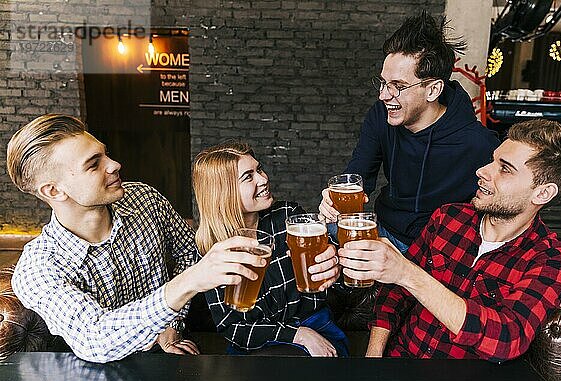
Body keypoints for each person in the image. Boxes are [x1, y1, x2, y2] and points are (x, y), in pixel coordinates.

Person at [7, 114, 262, 363]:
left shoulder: (143, 199)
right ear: (53, 190)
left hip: (167, 358)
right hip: (97, 378)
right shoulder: (37, 267)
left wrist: (172, 322)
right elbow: (95, 339)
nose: (114, 164)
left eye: (105, 153)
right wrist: (188, 283)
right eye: (94, 164)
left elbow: (187, 250)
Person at [338, 119, 561, 362]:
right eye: (492, 160)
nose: (482, 171)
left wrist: (408, 273)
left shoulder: (551, 259)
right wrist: (373, 357)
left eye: (505, 168)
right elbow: (394, 296)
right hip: (400, 362)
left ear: (543, 193)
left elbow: (506, 339)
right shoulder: (448, 217)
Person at [319, 11, 500, 252]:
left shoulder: (480, 144)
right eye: (383, 83)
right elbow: (358, 177)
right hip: (384, 231)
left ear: (433, 90)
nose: (383, 95)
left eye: (398, 86)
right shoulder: (380, 115)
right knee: (320, 228)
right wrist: (332, 201)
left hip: (438, 249)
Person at [194, 141, 347, 357]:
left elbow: (335, 284)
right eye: (248, 176)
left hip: (316, 328)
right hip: (256, 345)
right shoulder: (213, 249)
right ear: (223, 192)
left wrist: (334, 266)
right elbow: (233, 327)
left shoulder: (288, 217)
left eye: (259, 169)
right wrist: (296, 334)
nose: (263, 179)